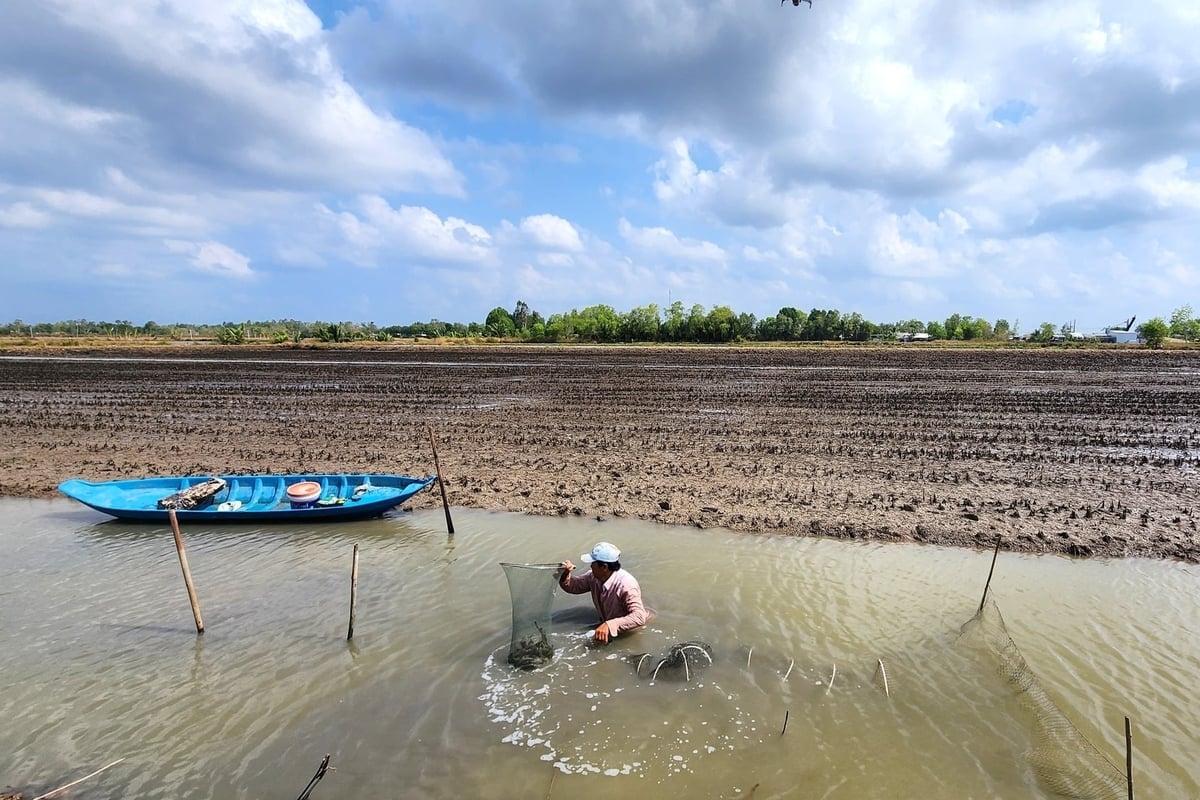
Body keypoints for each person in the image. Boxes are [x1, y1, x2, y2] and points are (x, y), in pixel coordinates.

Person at [558, 541, 648, 643]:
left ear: (604, 567)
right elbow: (573, 587)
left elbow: (639, 617)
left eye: (593, 563)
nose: (591, 566)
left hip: (628, 631)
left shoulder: (626, 584)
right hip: (606, 625)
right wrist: (565, 573)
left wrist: (610, 625)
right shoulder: (593, 577)